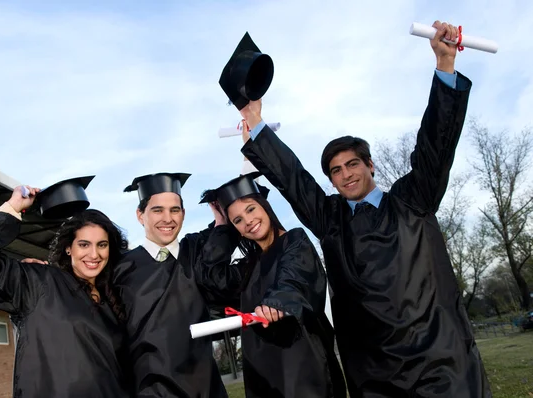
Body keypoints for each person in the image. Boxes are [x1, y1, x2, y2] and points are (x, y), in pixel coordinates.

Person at [227, 21, 491, 397]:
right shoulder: (330, 220)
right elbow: (293, 177)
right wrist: (253, 119)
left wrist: (444, 66)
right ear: (332, 182)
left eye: (352, 164)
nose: (345, 175)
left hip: (440, 362)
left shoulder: (412, 201)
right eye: (335, 171)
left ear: (370, 166)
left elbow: (436, 144)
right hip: (375, 373)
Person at [0, 184, 130, 397]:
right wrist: (14, 207)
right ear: (69, 248)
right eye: (84, 245)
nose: (94, 254)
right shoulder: (39, 282)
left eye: (101, 245)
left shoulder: (115, 299)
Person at [197, 172, 348, 397]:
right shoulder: (248, 267)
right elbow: (212, 280)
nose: (247, 221)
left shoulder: (294, 242)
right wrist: (221, 227)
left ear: (264, 206)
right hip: (263, 377)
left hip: (303, 371)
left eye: (250, 209)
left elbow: (294, 278)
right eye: (237, 220)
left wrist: (276, 302)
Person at [113, 172, 229, 398]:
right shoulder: (120, 268)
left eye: (174, 210)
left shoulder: (197, 252)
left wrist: (222, 223)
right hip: (151, 391)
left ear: (183, 214)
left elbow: (236, 221)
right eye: (157, 210)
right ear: (140, 215)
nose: (168, 218)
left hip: (206, 389)